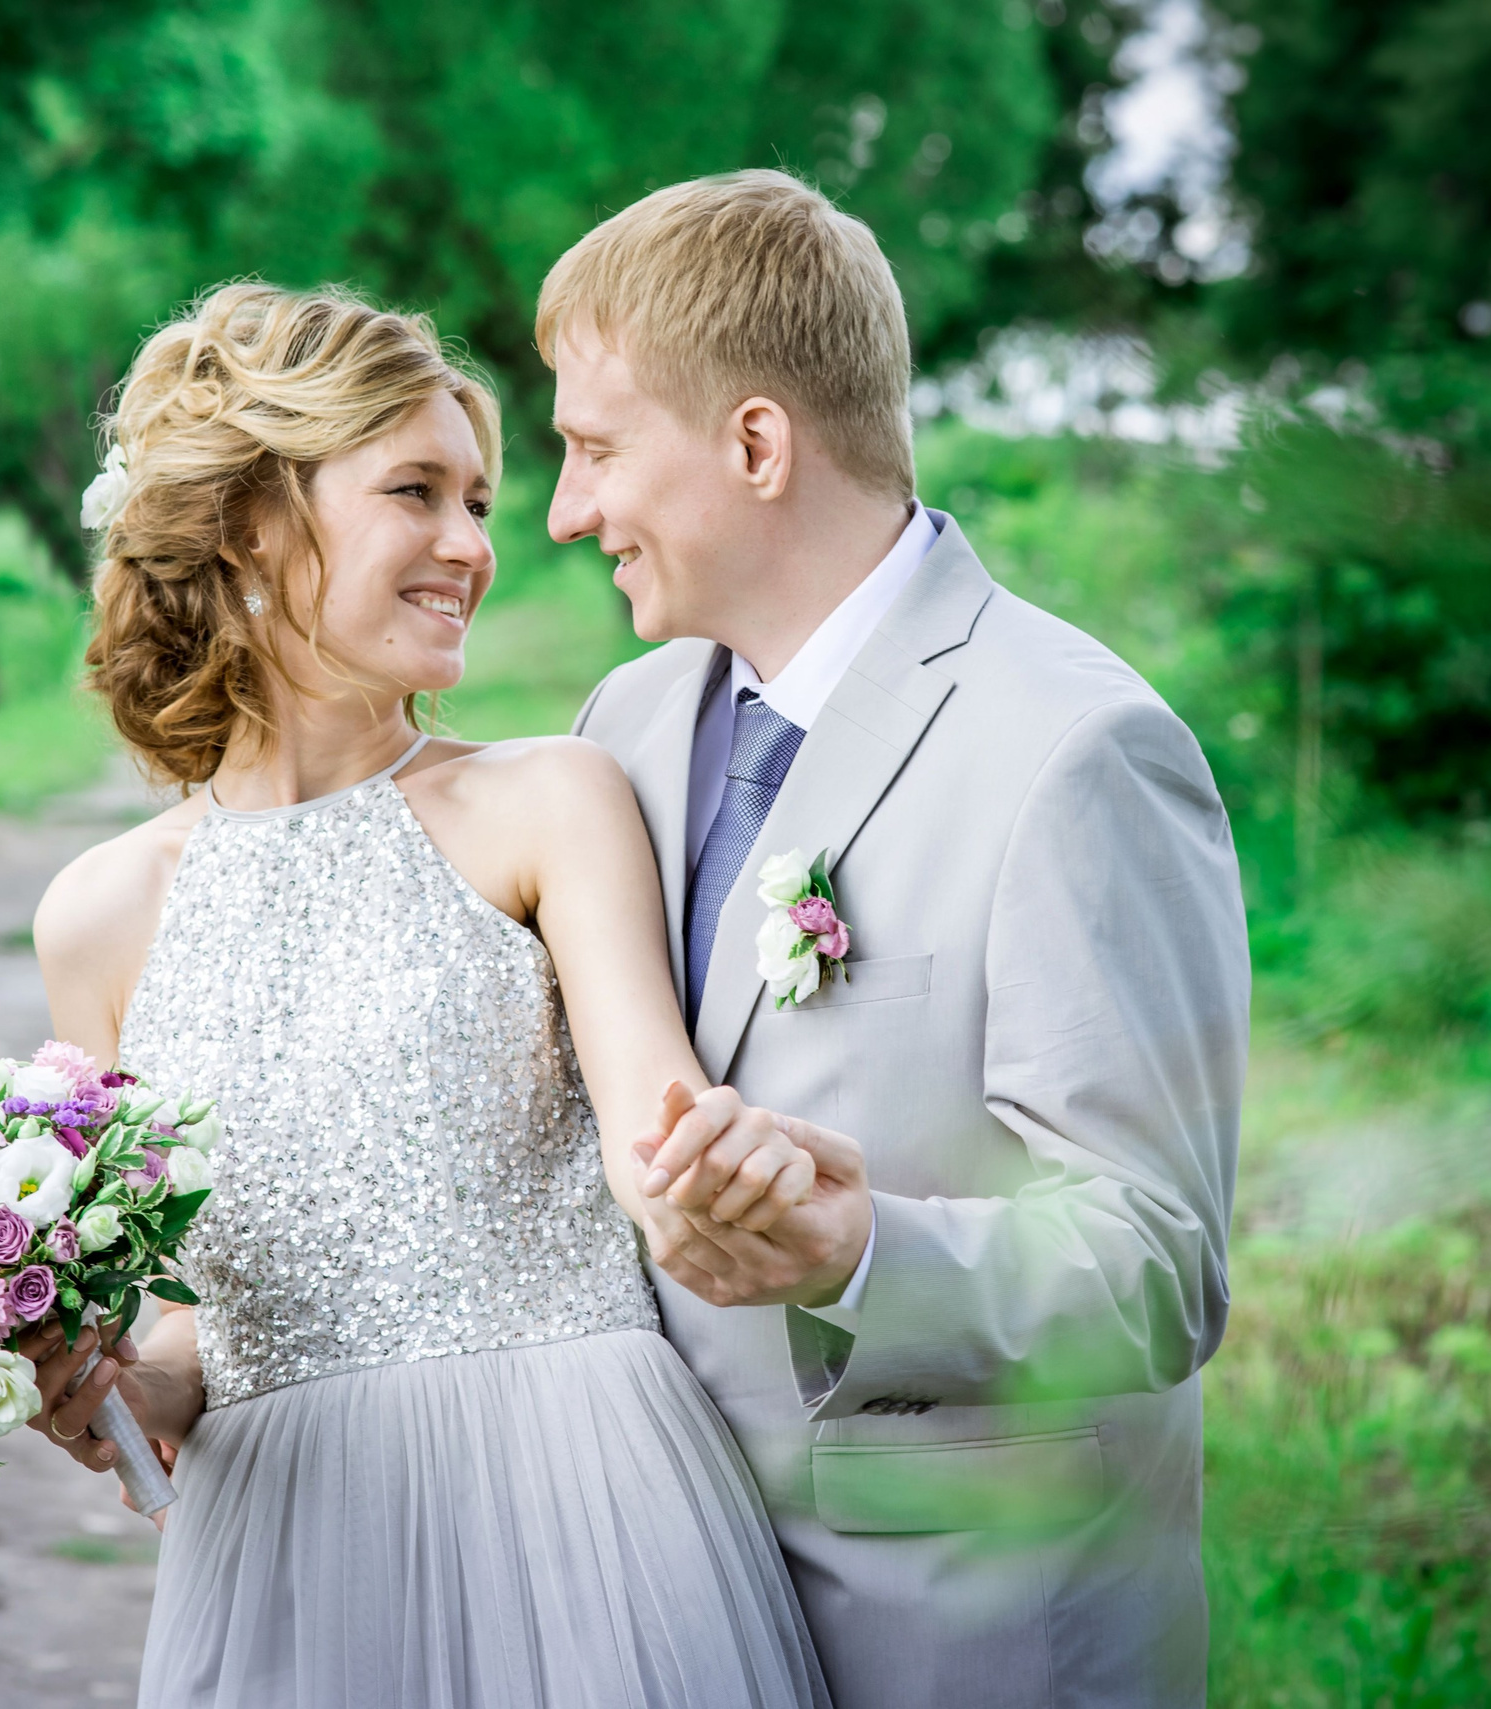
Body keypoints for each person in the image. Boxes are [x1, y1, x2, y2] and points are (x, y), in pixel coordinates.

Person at [17, 282, 835, 1709]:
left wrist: (745, 1175)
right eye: (416, 491)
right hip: (284, 1554)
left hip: (579, 1513)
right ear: (253, 520)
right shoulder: (97, 919)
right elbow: (203, 1312)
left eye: (479, 501)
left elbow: (663, 1147)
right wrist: (127, 1389)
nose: (472, 546)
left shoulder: (545, 804)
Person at [541, 171, 1248, 1708]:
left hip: (968, 1626)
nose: (565, 511)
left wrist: (862, 1248)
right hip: (667, 1603)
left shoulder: (1077, 746)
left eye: (595, 450)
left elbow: (1159, 1264)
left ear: (754, 442)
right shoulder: (627, 725)